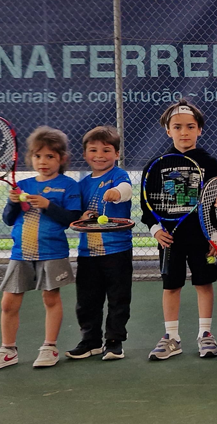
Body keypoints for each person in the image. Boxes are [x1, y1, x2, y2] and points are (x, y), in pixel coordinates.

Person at [0, 127, 81, 371]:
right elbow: (8, 219)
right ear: (30, 158)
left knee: (51, 298)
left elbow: (72, 219)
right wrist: (13, 203)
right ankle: (7, 350)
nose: (43, 162)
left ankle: (49, 346)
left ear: (62, 159)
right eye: (38, 156)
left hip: (52, 253)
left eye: (50, 156)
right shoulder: (22, 185)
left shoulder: (68, 185)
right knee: (8, 303)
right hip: (20, 254)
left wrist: (47, 205)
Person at [141, 100, 217, 361]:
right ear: (168, 131)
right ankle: (172, 337)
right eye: (177, 127)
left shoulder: (211, 164)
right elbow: (146, 207)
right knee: (171, 286)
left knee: (204, 284)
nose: (184, 132)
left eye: (190, 126)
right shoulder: (156, 165)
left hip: (203, 238)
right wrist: (156, 230)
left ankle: (206, 335)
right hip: (169, 240)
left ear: (199, 129)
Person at [68, 126, 134, 362]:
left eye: (106, 150)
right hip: (87, 253)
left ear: (116, 154)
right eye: (93, 150)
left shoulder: (118, 175)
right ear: (85, 155)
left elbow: (126, 189)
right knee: (86, 301)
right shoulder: (82, 184)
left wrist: (116, 193)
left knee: (118, 299)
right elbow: (75, 213)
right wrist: (81, 216)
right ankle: (90, 341)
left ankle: (114, 342)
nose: (99, 155)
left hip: (117, 251)